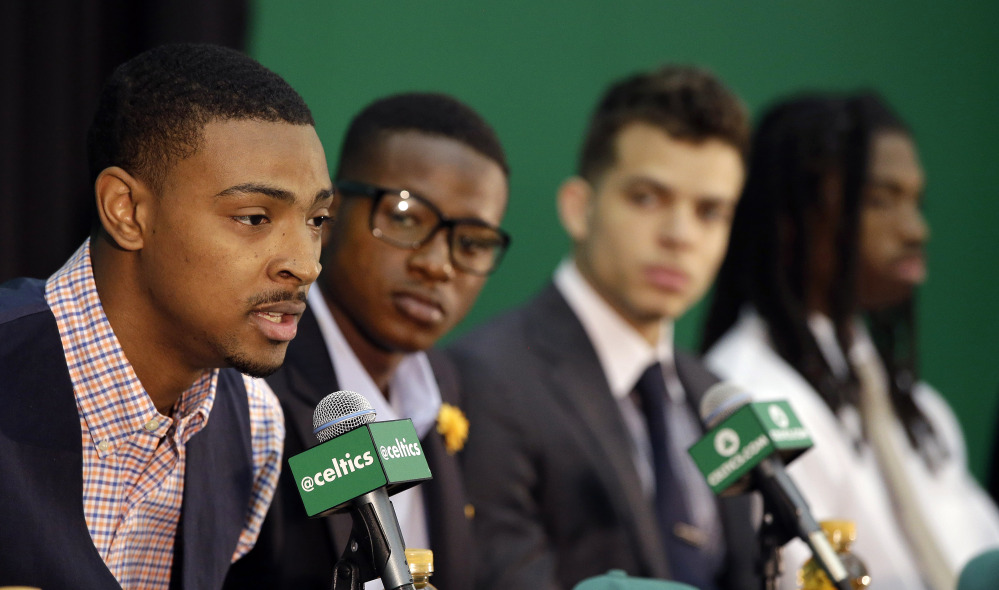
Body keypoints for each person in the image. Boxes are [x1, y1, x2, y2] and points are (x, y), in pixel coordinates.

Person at [0, 43, 333, 589]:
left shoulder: (257, 428)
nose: (305, 264)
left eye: (317, 219)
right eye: (254, 217)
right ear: (126, 211)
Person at [446, 65, 758, 590]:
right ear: (579, 208)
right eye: (647, 198)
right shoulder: (489, 379)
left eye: (710, 212)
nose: (680, 235)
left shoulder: (714, 396)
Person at [701, 92, 999, 590]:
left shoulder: (912, 405)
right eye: (880, 200)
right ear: (794, 218)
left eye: (916, 201)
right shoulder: (751, 395)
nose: (915, 230)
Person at [224, 92, 510, 590]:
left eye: (471, 243)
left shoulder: (449, 385)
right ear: (329, 216)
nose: (437, 265)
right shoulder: (248, 379)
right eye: (404, 217)